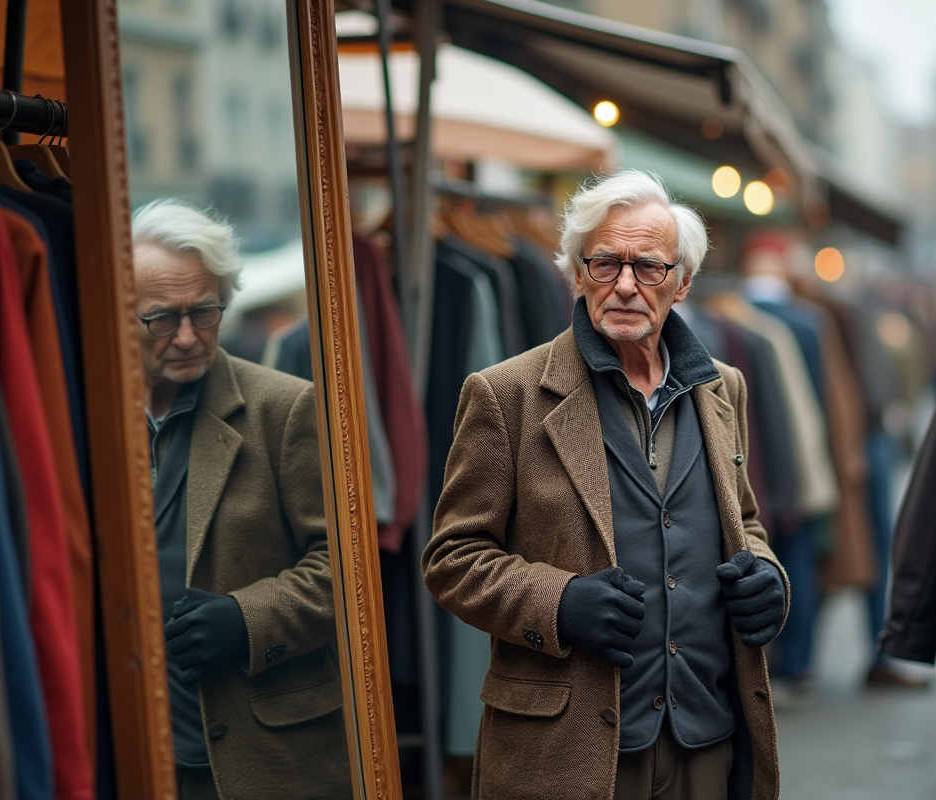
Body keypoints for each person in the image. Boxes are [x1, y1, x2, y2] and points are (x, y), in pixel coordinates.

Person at [422, 171, 790, 800]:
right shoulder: (505, 394)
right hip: (566, 750)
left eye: (648, 267)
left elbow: (742, 520)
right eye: (605, 264)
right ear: (576, 272)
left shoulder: (723, 387)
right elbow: (453, 560)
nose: (625, 285)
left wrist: (765, 573)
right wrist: (558, 603)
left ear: (682, 283)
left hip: (707, 734)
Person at [133, 199, 349, 799]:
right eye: (160, 318)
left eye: (203, 311)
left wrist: (247, 620)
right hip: (124, 750)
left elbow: (347, 567)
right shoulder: (80, 416)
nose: (185, 336)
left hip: (263, 758)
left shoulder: (284, 407)